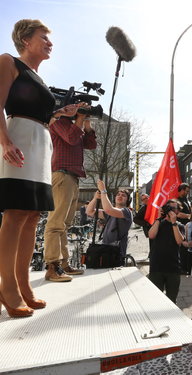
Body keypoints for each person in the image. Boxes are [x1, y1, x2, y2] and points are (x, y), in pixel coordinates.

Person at [0, 19, 82, 317]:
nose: (49, 42)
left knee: (33, 215)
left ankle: (23, 285)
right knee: (15, 213)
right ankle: (6, 286)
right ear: (25, 39)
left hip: (40, 142)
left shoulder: (36, 76)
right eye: (43, 37)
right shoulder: (8, 62)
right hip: (19, 138)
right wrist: (5, 141)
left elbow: (41, 115)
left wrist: (61, 112)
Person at [43, 105, 97, 282]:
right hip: (62, 174)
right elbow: (72, 139)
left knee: (64, 224)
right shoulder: (58, 122)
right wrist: (80, 119)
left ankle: (63, 264)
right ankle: (52, 266)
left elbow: (91, 144)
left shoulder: (76, 126)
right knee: (56, 222)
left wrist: (87, 124)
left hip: (73, 177)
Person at [147, 199, 185, 303]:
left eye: (174, 208)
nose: (171, 210)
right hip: (156, 267)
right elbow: (151, 235)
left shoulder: (179, 226)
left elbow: (179, 241)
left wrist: (173, 222)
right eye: (169, 208)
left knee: (171, 300)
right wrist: (159, 218)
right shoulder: (159, 223)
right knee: (155, 300)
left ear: (177, 211)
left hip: (173, 268)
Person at [86, 180, 133, 259]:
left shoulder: (127, 212)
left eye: (123, 195)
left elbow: (109, 209)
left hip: (116, 252)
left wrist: (103, 191)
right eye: (118, 194)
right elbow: (89, 212)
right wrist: (95, 198)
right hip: (106, 249)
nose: (120, 196)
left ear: (127, 200)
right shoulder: (111, 213)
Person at [176, 183, 191, 274]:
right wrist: (189, 216)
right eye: (186, 191)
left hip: (187, 227)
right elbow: (178, 214)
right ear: (181, 190)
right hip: (181, 227)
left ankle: (186, 267)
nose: (187, 193)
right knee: (182, 248)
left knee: (186, 248)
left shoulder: (186, 200)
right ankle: (182, 268)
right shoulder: (178, 201)